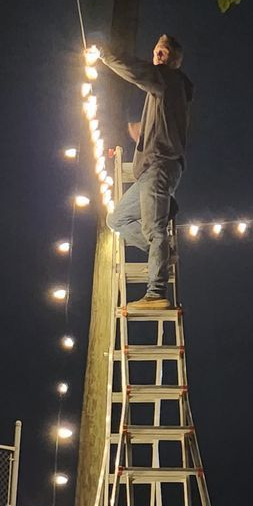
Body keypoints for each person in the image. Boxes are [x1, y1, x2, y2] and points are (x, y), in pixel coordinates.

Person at [97, 33, 193, 311]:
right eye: (156, 51)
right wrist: (144, 133)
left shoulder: (167, 79)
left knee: (155, 230)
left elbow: (135, 71)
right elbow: (166, 126)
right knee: (116, 219)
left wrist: (105, 54)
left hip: (160, 166)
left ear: (174, 59)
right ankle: (163, 253)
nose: (157, 56)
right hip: (154, 169)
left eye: (163, 52)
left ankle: (156, 292)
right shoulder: (169, 90)